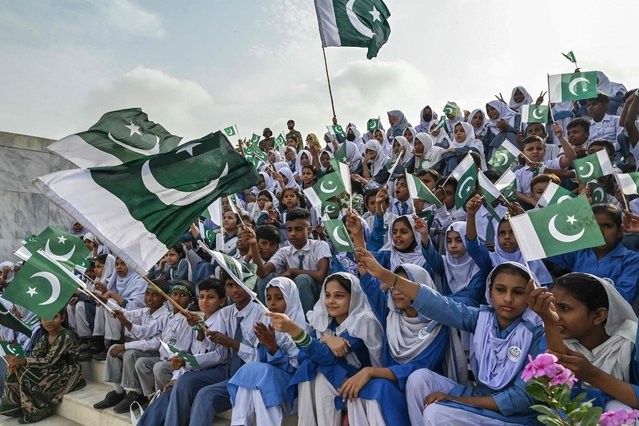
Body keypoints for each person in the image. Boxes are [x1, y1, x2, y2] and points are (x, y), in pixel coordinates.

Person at [356, 254, 545, 425]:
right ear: (490, 292)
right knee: (419, 378)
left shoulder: (537, 334)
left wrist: (454, 399)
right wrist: (384, 274)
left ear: (529, 296)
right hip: (477, 396)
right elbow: (439, 304)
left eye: (518, 292)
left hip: (514, 417)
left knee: (435, 414)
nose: (508, 299)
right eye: (501, 290)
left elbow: (520, 399)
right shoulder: (480, 318)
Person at [267, 272, 384, 426]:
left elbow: (327, 356)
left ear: (353, 297)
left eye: (339, 296)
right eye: (327, 295)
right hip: (338, 377)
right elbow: (305, 356)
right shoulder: (325, 321)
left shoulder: (363, 321)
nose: (330, 301)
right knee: (309, 369)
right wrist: (325, 338)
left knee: (323, 374)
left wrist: (293, 330)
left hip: (364, 380)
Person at [348, 263, 450, 425]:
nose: (396, 292)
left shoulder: (437, 326)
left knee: (396, 383)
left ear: (422, 289)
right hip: (392, 385)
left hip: (425, 394)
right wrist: (359, 240)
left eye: (403, 285)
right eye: (393, 285)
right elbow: (369, 283)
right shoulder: (390, 316)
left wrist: (372, 371)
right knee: (361, 390)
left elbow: (419, 367)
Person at [164, 270, 264, 426]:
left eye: (239, 284)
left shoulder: (261, 314)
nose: (235, 290)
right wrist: (200, 331)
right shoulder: (225, 313)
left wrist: (231, 342)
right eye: (230, 285)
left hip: (249, 371)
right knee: (184, 381)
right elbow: (217, 351)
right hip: (228, 368)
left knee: (205, 395)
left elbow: (259, 356)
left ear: (250, 286)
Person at [528, 272, 639, 410]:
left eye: (565, 308)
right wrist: (549, 322)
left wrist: (591, 374)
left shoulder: (632, 340)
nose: (555, 316)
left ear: (599, 315)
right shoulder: (554, 335)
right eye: (552, 306)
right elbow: (557, 396)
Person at [136, 278, 227, 426]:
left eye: (210, 297)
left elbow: (219, 355)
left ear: (222, 301)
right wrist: (176, 376)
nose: (204, 301)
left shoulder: (222, 321)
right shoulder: (199, 322)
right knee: (168, 394)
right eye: (202, 297)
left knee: (181, 386)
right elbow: (193, 350)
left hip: (213, 370)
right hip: (195, 369)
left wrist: (185, 366)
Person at [228, 277, 307, 426]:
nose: (272, 303)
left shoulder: (302, 328)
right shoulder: (266, 324)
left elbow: (296, 367)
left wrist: (273, 346)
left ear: (291, 299)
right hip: (267, 378)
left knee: (260, 376)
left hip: (292, 385)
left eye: (279, 298)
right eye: (269, 298)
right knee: (253, 375)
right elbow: (261, 360)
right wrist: (268, 345)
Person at [93, 281, 171, 412]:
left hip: (155, 353)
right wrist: (105, 301)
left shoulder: (164, 316)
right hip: (142, 348)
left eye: (154, 295)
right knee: (113, 349)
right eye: (147, 293)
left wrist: (126, 345)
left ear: (164, 298)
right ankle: (118, 392)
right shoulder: (145, 311)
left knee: (130, 353)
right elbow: (124, 312)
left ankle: (136, 393)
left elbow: (154, 344)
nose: (149, 298)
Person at [0, 308, 86, 424]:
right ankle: (15, 405)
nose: (49, 321)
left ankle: (39, 409)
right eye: (45, 318)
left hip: (68, 370)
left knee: (27, 373)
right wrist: (18, 363)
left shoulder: (66, 335)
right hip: (52, 368)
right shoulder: (45, 336)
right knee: (15, 369)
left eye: (54, 317)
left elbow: (49, 360)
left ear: (62, 318)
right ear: (40, 320)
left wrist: (24, 361)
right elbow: (35, 354)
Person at [546, 204, 639, 310]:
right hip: (574, 318)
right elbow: (547, 248)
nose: (600, 232)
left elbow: (622, 299)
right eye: (592, 225)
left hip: (611, 323)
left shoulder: (632, 260)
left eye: (607, 226)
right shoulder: (579, 252)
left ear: (619, 231)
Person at [252, 208, 331, 313]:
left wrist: (293, 271)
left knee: (302, 279)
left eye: (298, 229)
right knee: (265, 280)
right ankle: (266, 318)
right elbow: (262, 273)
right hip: (291, 298)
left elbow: (320, 275)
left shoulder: (319, 245)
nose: (293, 233)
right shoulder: (285, 251)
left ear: (309, 230)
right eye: (289, 230)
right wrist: (253, 245)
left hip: (319, 295)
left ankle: (308, 322)